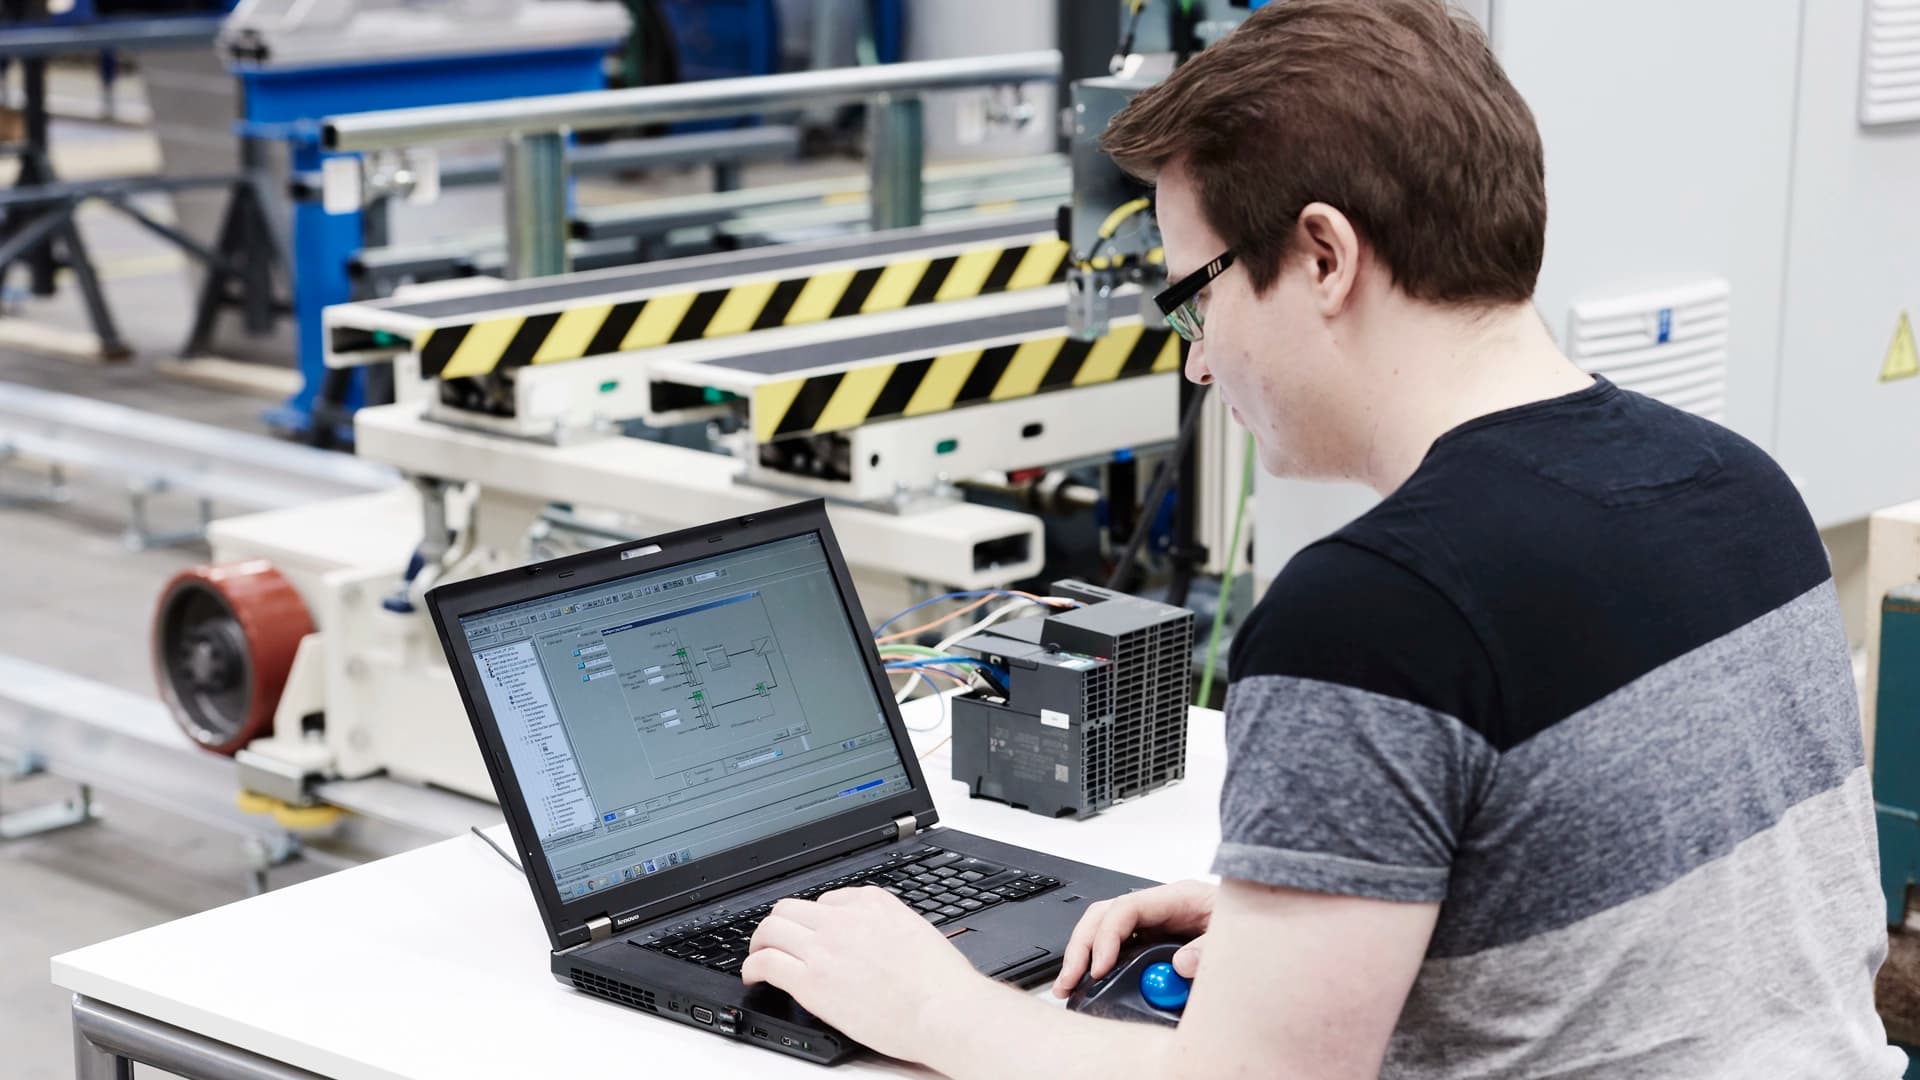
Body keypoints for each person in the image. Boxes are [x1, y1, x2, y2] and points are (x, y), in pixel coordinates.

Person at [740, 1, 1904, 1075]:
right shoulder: (1736, 481)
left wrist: (929, 1002)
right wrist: (1325, 916)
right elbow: (1682, 948)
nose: (1200, 358)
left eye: (1196, 297)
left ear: (1324, 257)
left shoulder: (1374, 613)